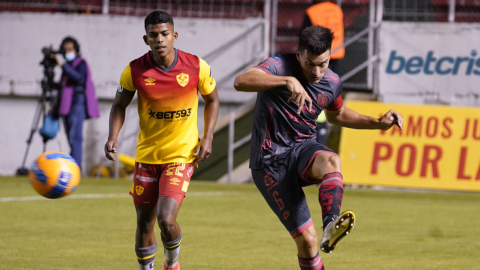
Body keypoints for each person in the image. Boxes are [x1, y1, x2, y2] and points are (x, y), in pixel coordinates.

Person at [234, 26, 403, 270]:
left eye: (322, 63)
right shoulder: (279, 66)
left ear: (330, 55)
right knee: (307, 242)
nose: (316, 72)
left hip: (303, 148)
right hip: (270, 162)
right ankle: (319, 239)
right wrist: (288, 81)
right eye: (310, 63)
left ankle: (331, 225)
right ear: (298, 54)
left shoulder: (332, 81)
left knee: (332, 161)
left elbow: (338, 114)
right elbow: (241, 81)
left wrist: (377, 122)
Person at [104, 11, 219, 270]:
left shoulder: (196, 66)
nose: (160, 39)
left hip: (181, 155)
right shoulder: (134, 70)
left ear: (174, 36)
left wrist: (208, 136)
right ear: (146, 39)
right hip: (147, 156)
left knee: (166, 219)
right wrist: (113, 136)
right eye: (153, 35)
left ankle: (172, 264)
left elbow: (212, 100)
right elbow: (119, 105)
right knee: (144, 222)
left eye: (165, 34)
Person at [54, 36, 100, 170]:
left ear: (76, 49)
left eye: (70, 49)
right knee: (70, 138)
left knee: (75, 138)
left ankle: (76, 169)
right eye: (66, 49)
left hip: (77, 103)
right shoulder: (67, 66)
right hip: (66, 104)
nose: (68, 51)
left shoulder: (81, 64)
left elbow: (78, 78)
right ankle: (73, 166)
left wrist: (62, 65)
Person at [301, 0, 344, 74]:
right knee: (333, 78)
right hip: (336, 50)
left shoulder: (312, 11)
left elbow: (304, 34)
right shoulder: (337, 9)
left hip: (319, 52)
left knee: (319, 79)